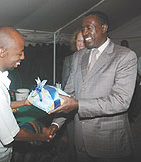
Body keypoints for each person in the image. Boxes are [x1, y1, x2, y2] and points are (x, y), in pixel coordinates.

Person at [49, 11, 137, 162]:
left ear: (104, 28)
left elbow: (121, 101)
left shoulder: (124, 56)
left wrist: (78, 104)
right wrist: (56, 123)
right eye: (83, 29)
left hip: (109, 142)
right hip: (80, 141)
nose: (85, 33)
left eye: (89, 28)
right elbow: (69, 94)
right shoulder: (78, 57)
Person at [0, 26, 52, 162]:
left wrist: (25, 102)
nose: (23, 57)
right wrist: (42, 136)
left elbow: (0, 106)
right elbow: (14, 135)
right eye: (19, 53)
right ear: (2, 52)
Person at [61, 29, 85, 162]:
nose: (81, 44)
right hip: (72, 106)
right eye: (78, 41)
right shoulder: (69, 60)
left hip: (89, 107)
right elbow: (66, 83)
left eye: (83, 41)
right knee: (73, 141)